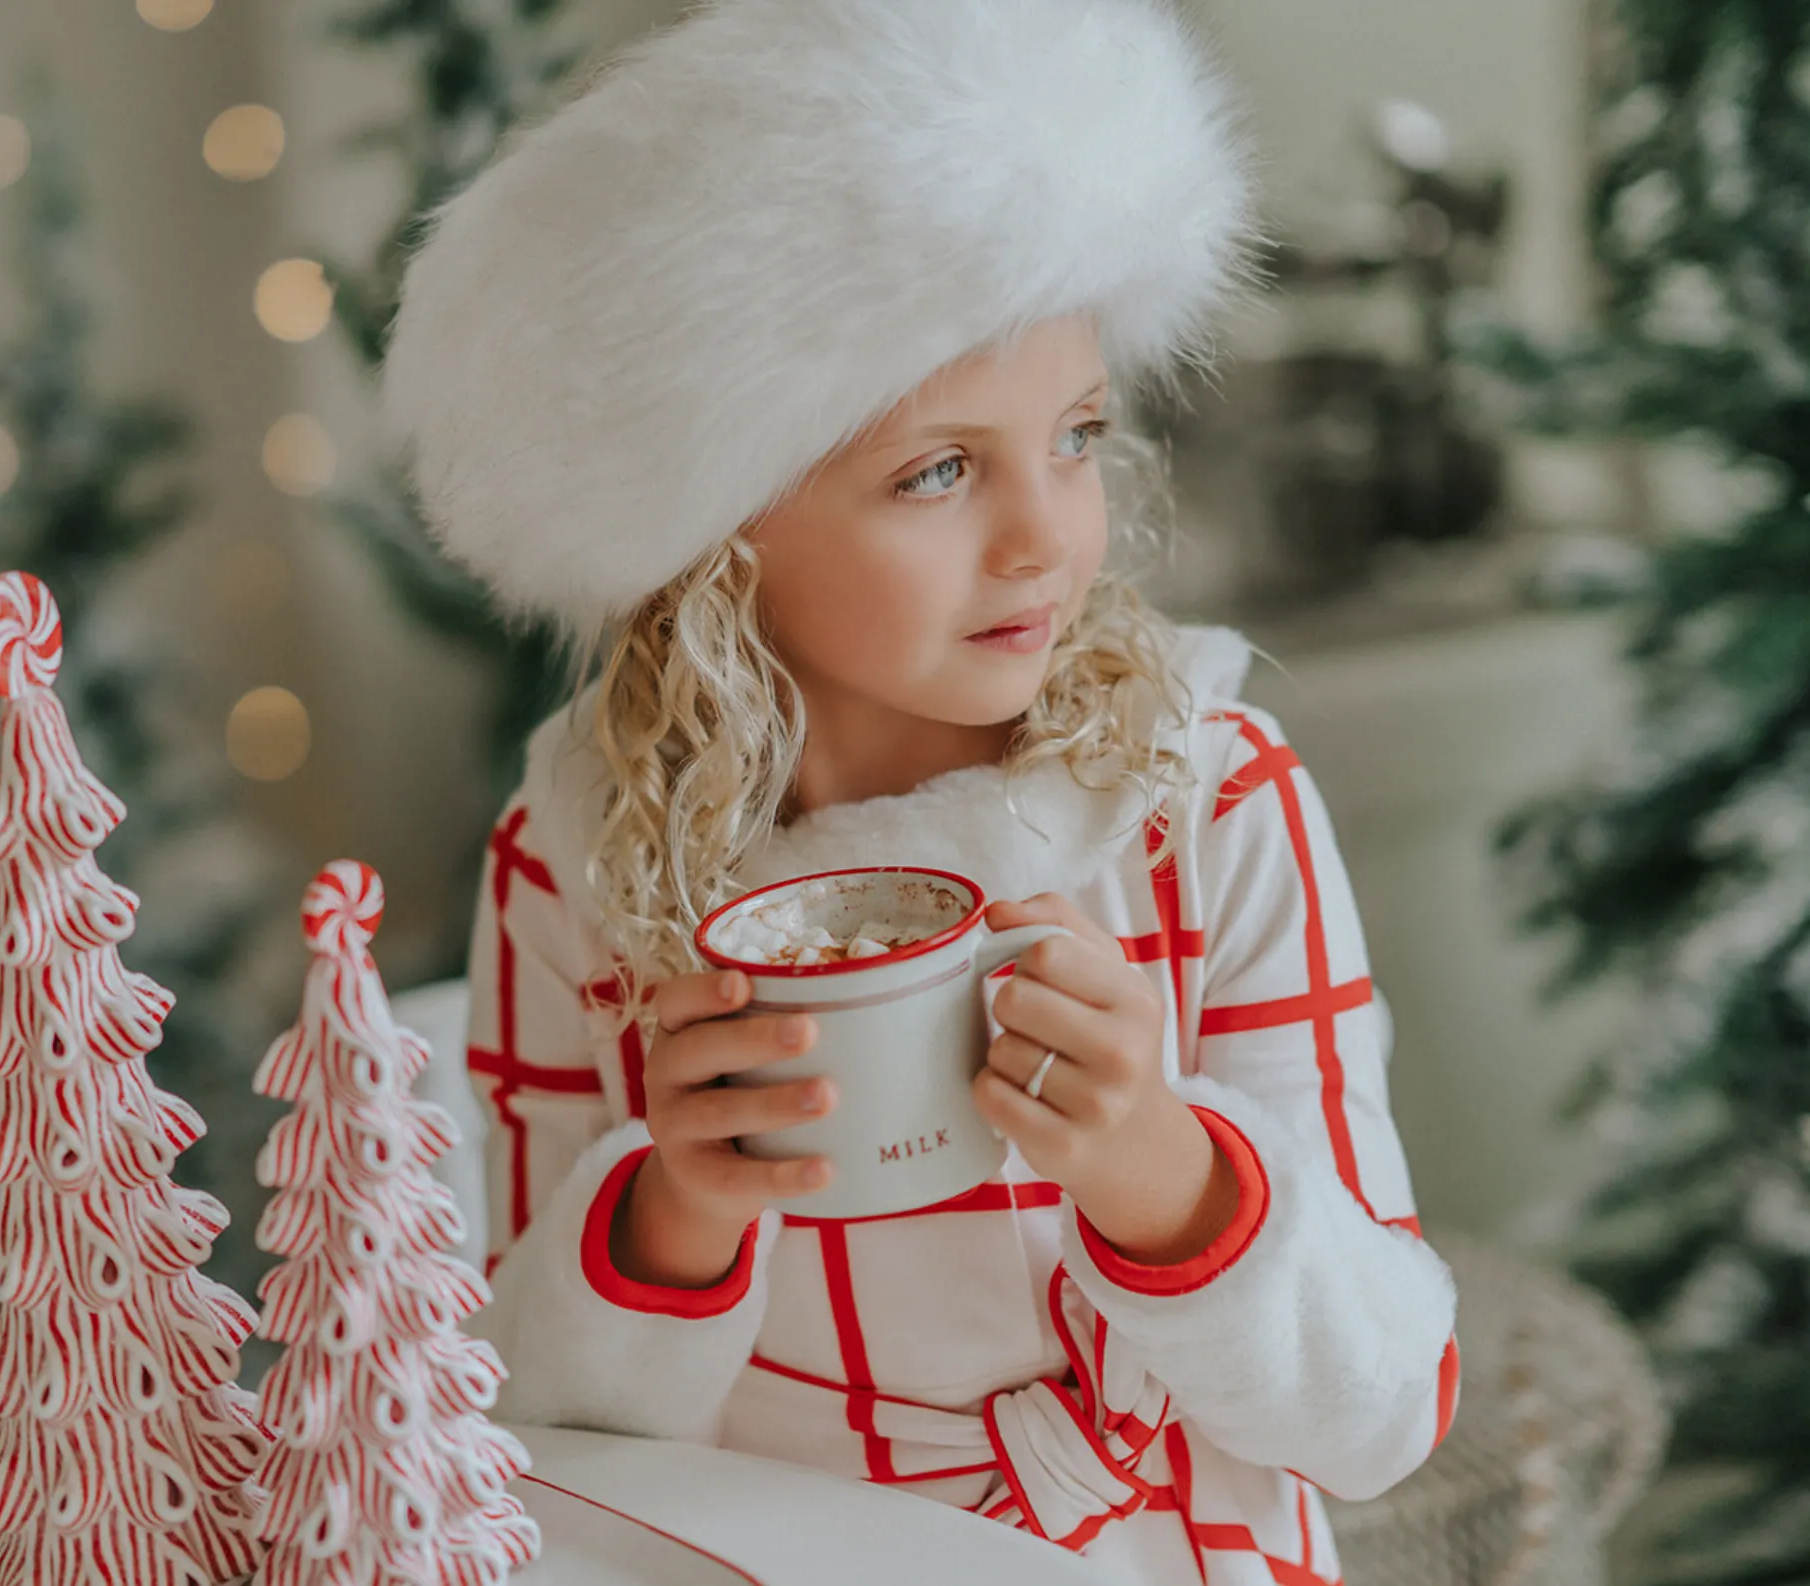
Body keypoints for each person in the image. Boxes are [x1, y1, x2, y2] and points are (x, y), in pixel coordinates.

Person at [377, 1, 1460, 1578]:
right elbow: (526, 1444)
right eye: (939, 471)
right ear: (713, 525)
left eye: (1076, 436)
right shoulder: (580, 863)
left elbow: (1384, 1410)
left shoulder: (1207, 807)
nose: (1043, 538)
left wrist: (1162, 1164)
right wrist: (669, 1216)